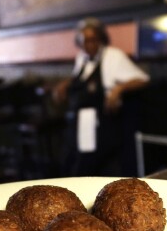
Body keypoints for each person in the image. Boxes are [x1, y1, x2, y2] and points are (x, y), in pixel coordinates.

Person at [53, 17, 150, 176]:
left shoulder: (113, 56)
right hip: (78, 121)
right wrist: (66, 84)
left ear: (101, 39)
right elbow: (81, 78)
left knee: (94, 167)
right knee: (75, 164)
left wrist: (119, 88)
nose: (89, 45)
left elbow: (142, 79)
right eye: (84, 41)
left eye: (93, 40)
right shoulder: (82, 57)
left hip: (101, 122)